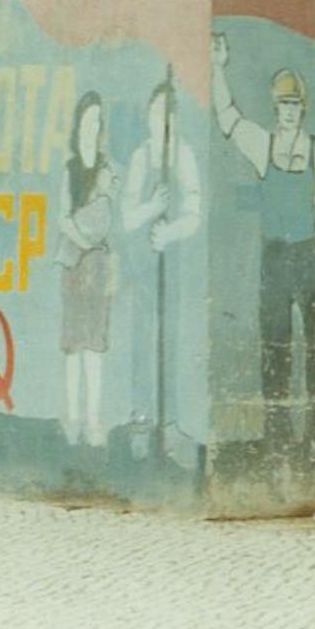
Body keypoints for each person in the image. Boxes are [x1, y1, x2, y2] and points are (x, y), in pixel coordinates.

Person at [212, 34, 315, 458]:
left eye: (293, 105)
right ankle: (276, 439)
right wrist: (218, 65)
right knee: (275, 349)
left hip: (308, 258)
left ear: (302, 108)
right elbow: (227, 117)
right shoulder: (263, 144)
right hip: (274, 259)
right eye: (282, 105)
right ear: (275, 108)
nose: (287, 112)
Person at [121, 77, 202, 448]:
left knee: (169, 337)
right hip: (141, 261)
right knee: (142, 337)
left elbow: (195, 211)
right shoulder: (140, 157)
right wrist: (151, 209)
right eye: (156, 112)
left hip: (171, 259)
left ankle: (168, 425)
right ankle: (141, 420)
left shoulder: (183, 155)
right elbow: (125, 218)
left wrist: (172, 232)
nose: (161, 120)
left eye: (168, 113)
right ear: (148, 115)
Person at [56, 91, 118, 448]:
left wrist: (86, 236)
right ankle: (73, 419)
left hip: (97, 264)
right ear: (78, 123)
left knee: (94, 344)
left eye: (97, 120)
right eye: (87, 119)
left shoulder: (106, 169)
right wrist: (81, 237)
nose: (92, 126)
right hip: (73, 263)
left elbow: (106, 218)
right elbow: (62, 217)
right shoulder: (71, 169)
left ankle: (94, 420)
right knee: (72, 345)